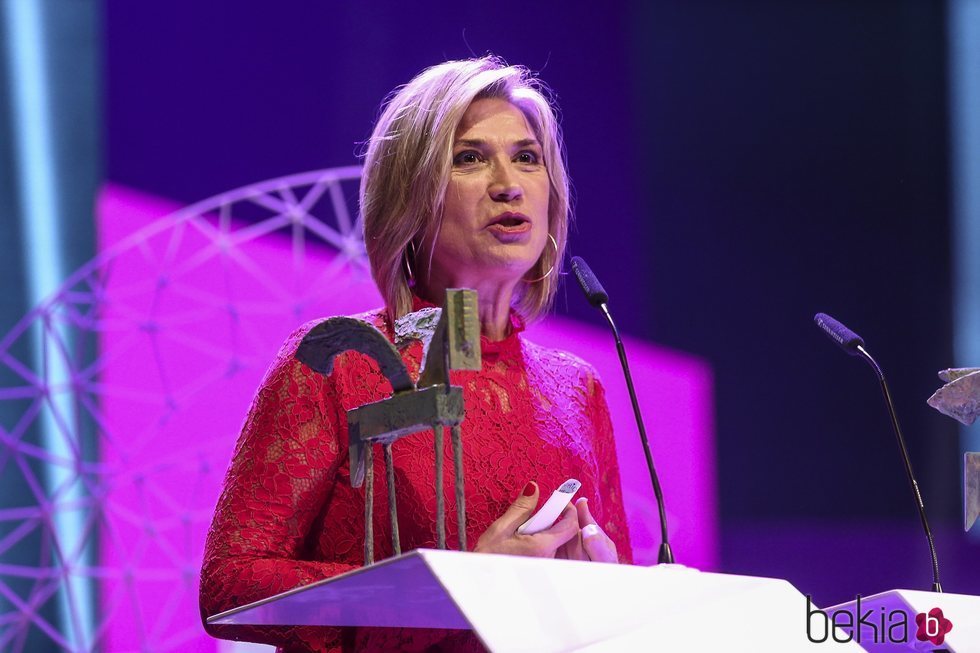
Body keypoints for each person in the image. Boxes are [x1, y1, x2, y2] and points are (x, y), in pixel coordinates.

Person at [200, 56, 632, 653]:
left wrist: (608, 594)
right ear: (412, 197)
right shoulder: (337, 362)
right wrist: (461, 589)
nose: (508, 182)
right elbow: (232, 586)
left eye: (527, 157)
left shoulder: (578, 389)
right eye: (470, 158)